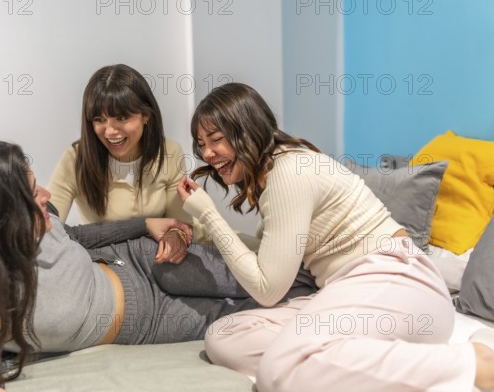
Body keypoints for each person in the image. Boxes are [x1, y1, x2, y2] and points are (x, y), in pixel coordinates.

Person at [0, 139, 316, 392]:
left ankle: (348, 267)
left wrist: (144, 224)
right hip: (144, 320)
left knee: (268, 274)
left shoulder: (39, 225)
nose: (45, 195)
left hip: (139, 260)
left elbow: (75, 236)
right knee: (266, 310)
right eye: (29, 191)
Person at [176, 82, 494, 392]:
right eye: (201, 144)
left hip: (398, 281)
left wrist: (208, 214)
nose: (207, 153)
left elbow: (267, 289)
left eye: (215, 139)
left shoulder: (289, 171)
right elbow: (271, 262)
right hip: (349, 287)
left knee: (279, 370)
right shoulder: (278, 171)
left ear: (246, 131)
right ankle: (327, 360)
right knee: (224, 335)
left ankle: (470, 362)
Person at [48, 64, 205, 243]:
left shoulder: (169, 152)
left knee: (238, 248)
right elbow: (47, 226)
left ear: (146, 115)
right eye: (100, 120)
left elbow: (180, 226)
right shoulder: (75, 159)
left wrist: (174, 240)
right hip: (110, 260)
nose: (110, 132)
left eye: (122, 118)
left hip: (163, 253)